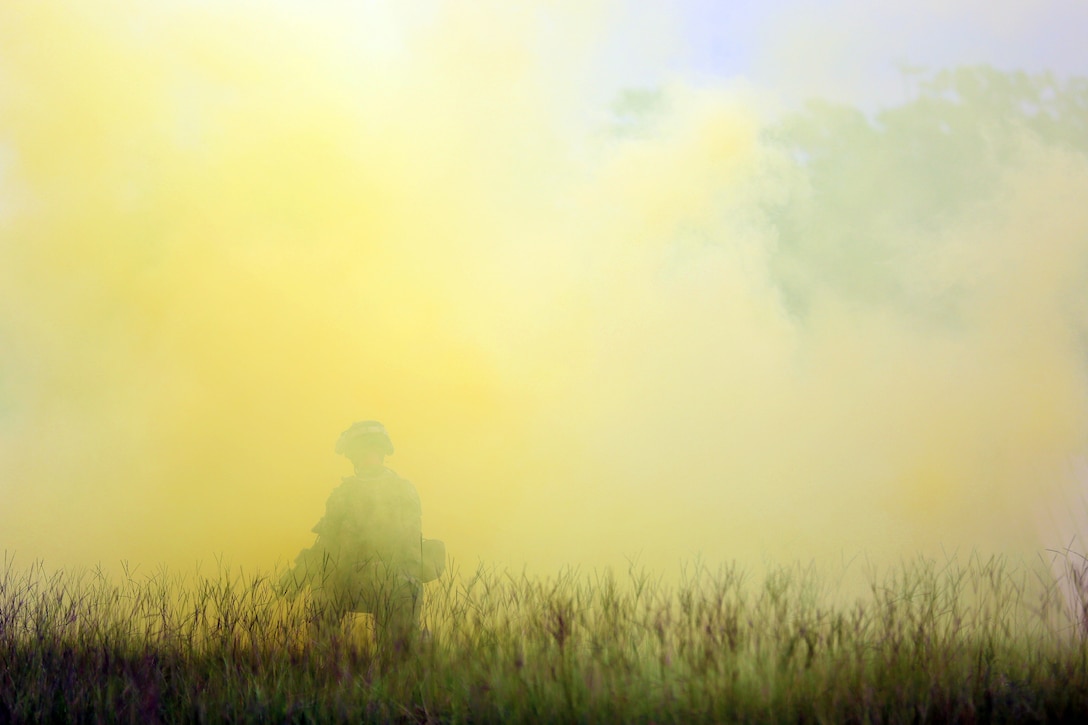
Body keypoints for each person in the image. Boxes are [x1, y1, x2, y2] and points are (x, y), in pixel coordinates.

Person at [283, 420, 445, 652]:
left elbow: (406, 543)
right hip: (363, 579)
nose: (365, 456)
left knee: (399, 648)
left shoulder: (388, 491)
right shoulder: (351, 493)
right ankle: (327, 665)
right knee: (324, 596)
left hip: (388, 580)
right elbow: (326, 546)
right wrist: (299, 574)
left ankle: (407, 654)